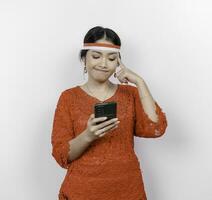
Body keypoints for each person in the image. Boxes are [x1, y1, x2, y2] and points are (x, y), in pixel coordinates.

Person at [51, 26, 168, 200]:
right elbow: (61, 155)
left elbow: (156, 128)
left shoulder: (130, 94)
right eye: (96, 56)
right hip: (82, 191)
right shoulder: (68, 97)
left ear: (118, 63)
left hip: (127, 189)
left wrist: (139, 82)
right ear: (84, 59)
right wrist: (88, 135)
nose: (104, 64)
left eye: (111, 58)